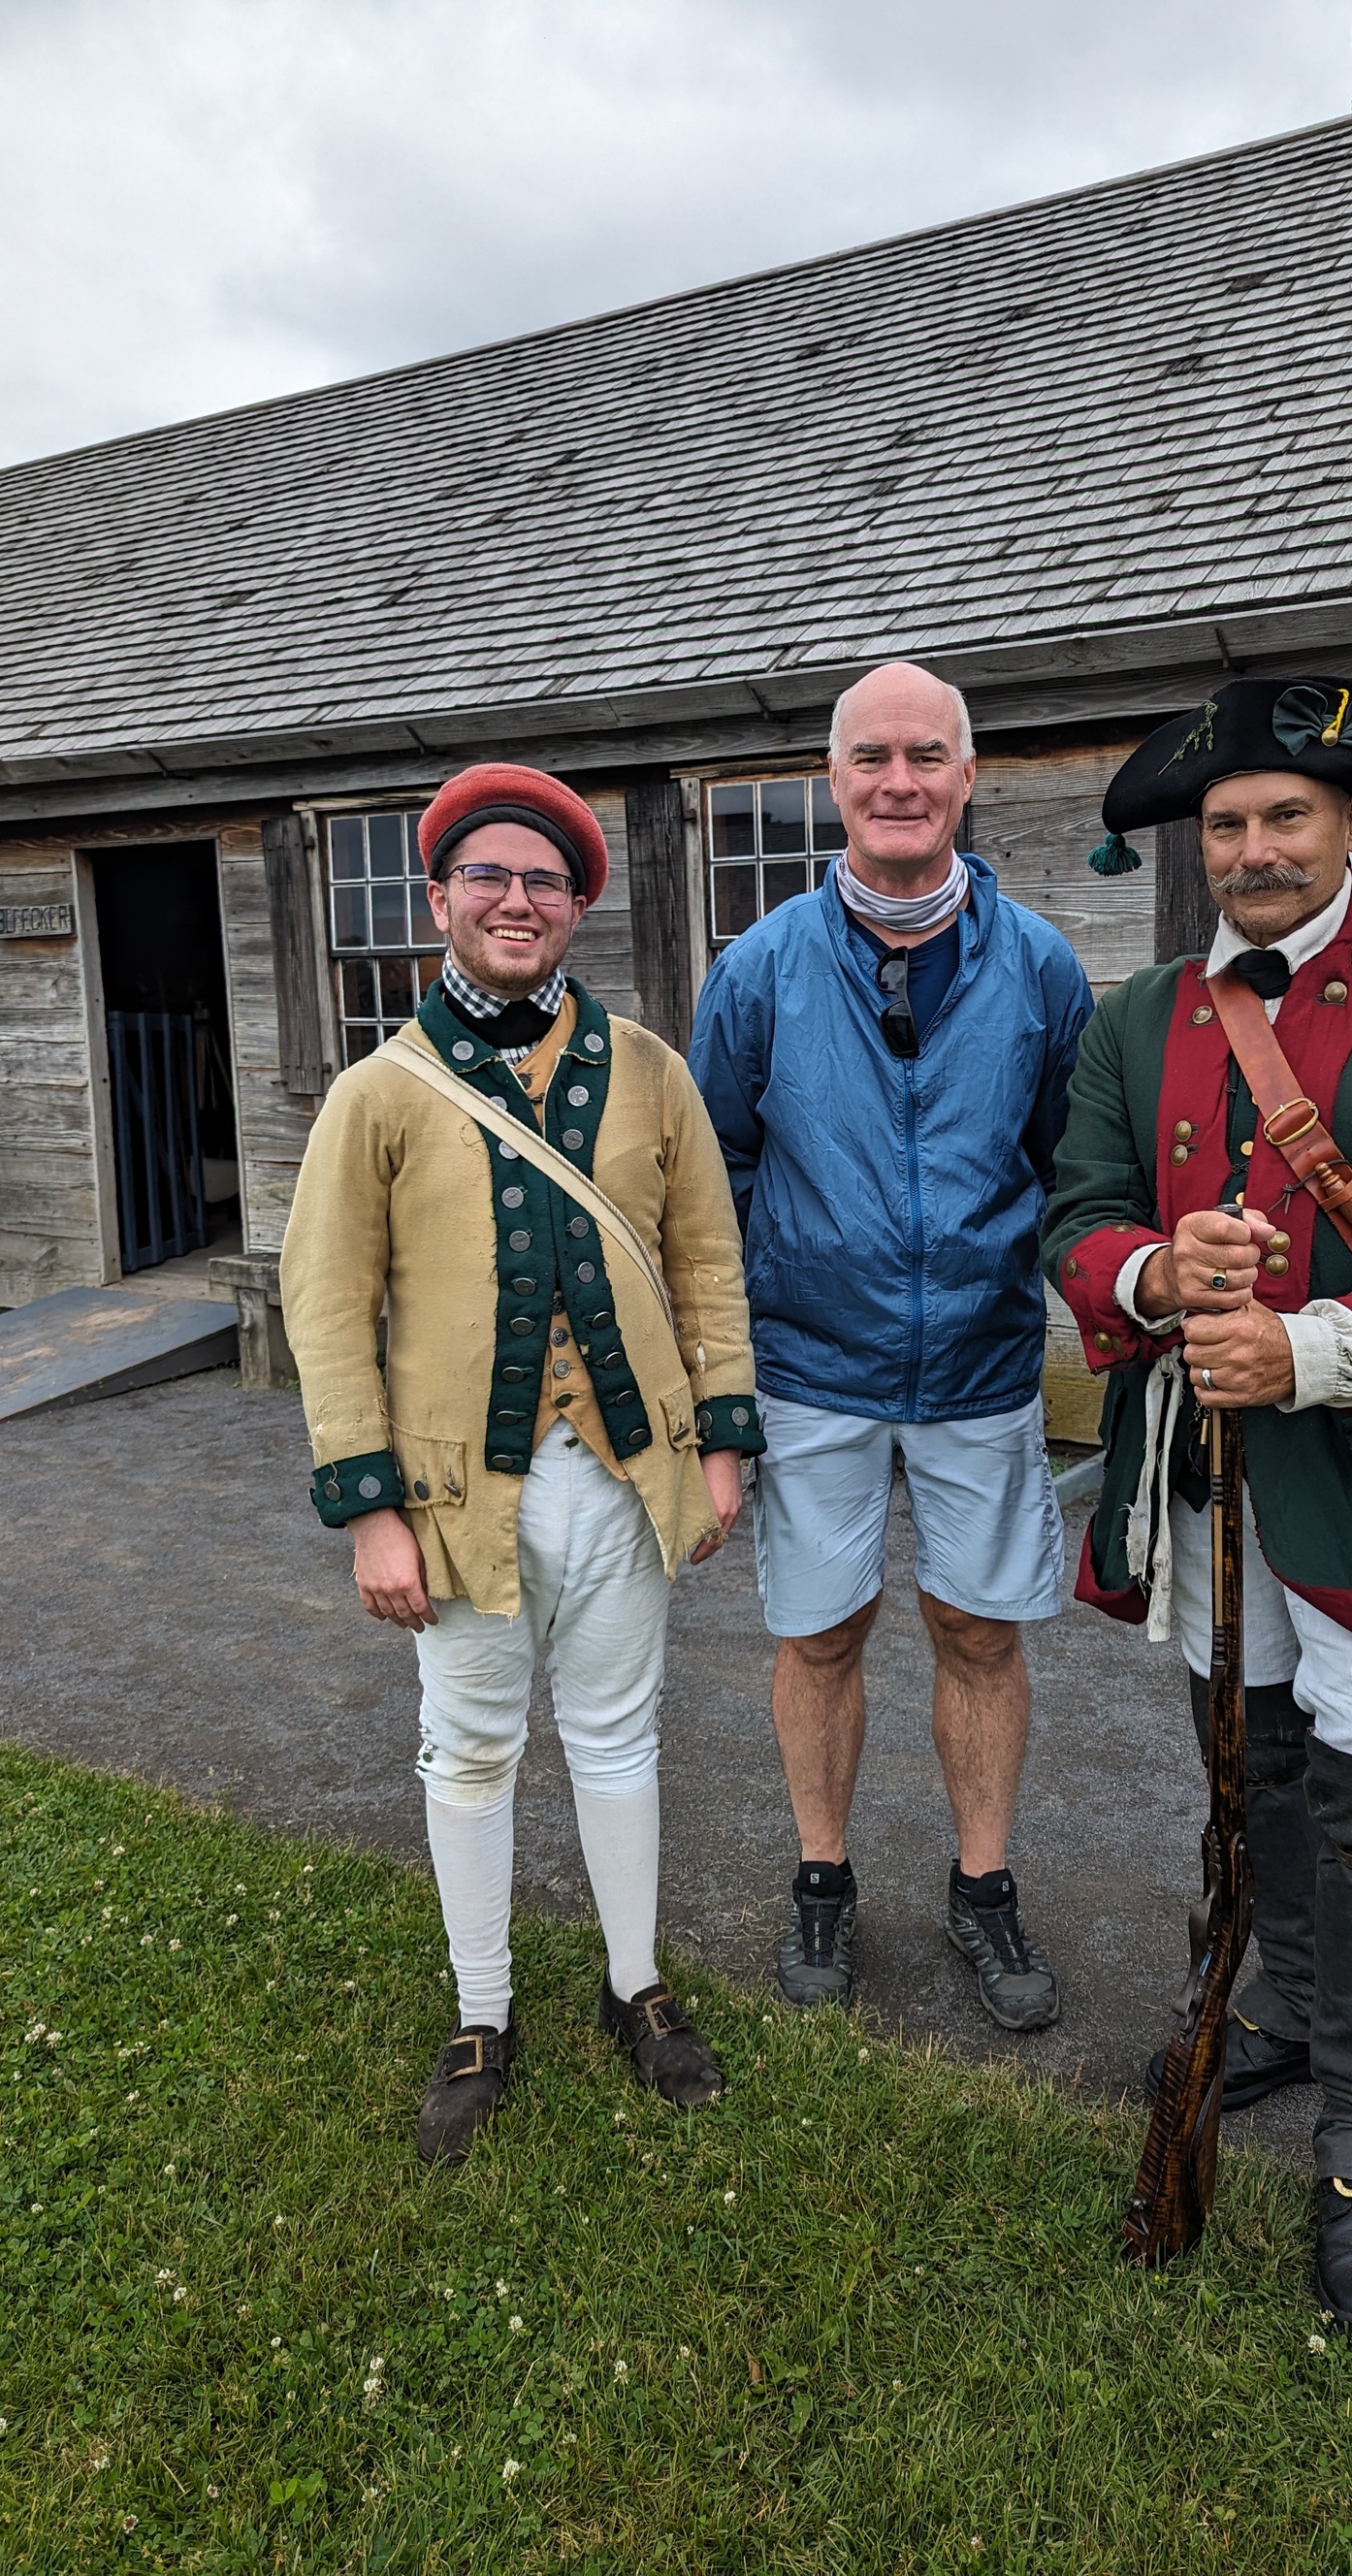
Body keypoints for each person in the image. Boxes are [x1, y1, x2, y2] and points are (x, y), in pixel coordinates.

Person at [1044, 678, 1352, 2343]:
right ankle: (1294, 2007)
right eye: (1226, 824)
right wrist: (1155, 1269)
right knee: (1253, 1755)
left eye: (1286, 817)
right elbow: (1079, 1214)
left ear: (1350, 825)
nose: (1254, 849)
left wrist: (1314, 1346)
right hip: (1203, 1474)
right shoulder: (1139, 1018)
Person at [280, 763, 764, 2161]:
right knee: (472, 1747)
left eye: (543, 880)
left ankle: (634, 1984)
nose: (515, 900)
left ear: (576, 906)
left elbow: (708, 1265)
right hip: (455, 1495)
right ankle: (482, 2010)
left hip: (626, 1473)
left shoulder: (653, 1071)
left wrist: (723, 1443)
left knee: (619, 1734)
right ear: (439, 898)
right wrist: (368, 1511)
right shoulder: (379, 1091)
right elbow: (327, 1309)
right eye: (486, 875)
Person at [689, 661, 1093, 2030]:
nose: (899, 781)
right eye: (872, 757)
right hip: (814, 1367)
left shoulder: (1038, 967)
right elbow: (714, 1178)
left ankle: (983, 1887)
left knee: (978, 1629)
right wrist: (732, 1364)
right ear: (835, 779)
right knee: (821, 1632)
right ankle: (823, 1877)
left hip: (981, 1364)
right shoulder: (758, 970)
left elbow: (1072, 1168)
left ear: (969, 778)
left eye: (927, 755)